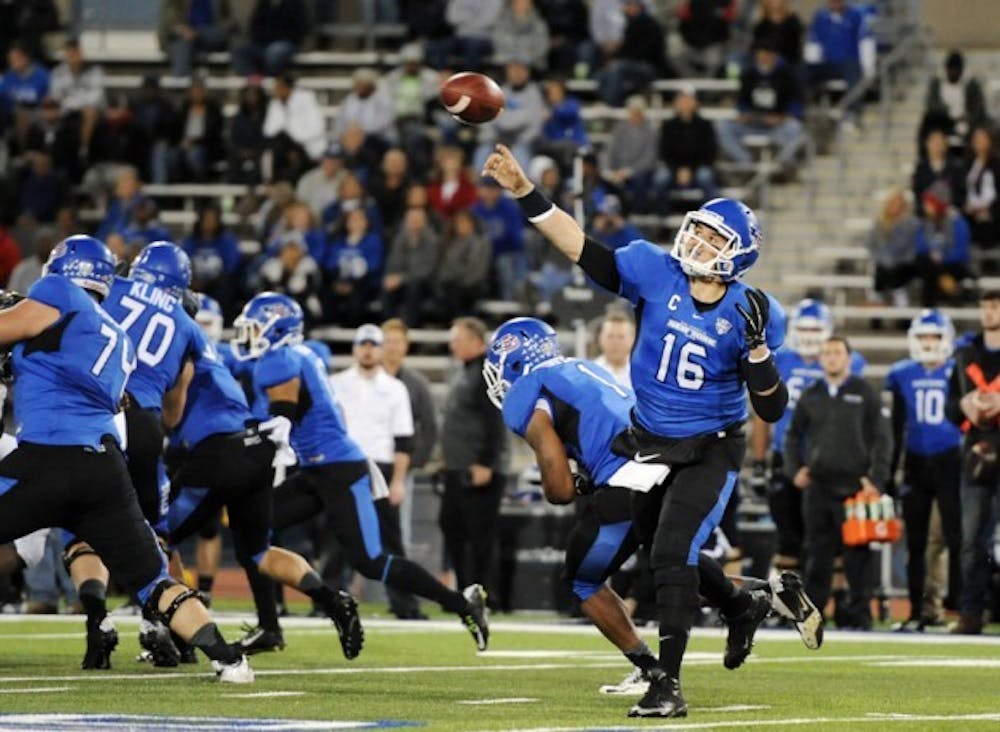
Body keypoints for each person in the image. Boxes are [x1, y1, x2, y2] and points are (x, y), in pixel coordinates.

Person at [481, 145, 789, 718]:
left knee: (671, 552)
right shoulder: (654, 270)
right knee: (637, 549)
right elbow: (581, 249)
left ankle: (666, 684)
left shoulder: (754, 311)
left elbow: (771, 409)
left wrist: (759, 352)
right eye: (698, 229)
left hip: (709, 446)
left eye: (715, 239)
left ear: (738, 256)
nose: (698, 243)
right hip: (646, 439)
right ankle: (740, 606)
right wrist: (525, 190)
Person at [485, 316, 821, 694]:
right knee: (670, 554)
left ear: (511, 357)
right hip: (666, 458)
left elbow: (559, 489)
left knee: (583, 579)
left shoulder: (526, 393)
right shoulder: (580, 367)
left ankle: (651, 669)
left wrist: (577, 484)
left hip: (627, 474)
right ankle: (759, 597)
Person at [0, 235, 251, 680]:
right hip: (105, 468)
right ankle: (229, 658)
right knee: (155, 580)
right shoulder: (118, 337)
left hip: (46, 460)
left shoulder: (58, 293)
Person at [231, 293, 490, 645]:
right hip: (314, 470)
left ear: (278, 329)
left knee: (371, 561)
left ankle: (463, 604)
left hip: (341, 469)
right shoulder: (301, 354)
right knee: (253, 533)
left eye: (258, 326)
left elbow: (280, 425)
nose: (250, 334)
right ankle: (277, 624)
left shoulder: (281, 362)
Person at [166, 296, 364, 660]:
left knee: (157, 536)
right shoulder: (226, 355)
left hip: (222, 451)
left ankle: (180, 636)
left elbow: (173, 409)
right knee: (257, 551)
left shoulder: (271, 358)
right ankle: (333, 601)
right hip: (253, 452)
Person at [750, 299, 865, 575]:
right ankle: (793, 608)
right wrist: (758, 461)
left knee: (831, 540)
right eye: (804, 329)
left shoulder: (847, 361)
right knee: (789, 539)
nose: (810, 337)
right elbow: (763, 415)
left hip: (830, 460)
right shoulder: (780, 358)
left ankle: (836, 608)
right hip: (787, 457)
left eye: (816, 330)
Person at [784, 336, 892, 631]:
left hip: (855, 488)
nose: (831, 358)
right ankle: (814, 617)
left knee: (859, 556)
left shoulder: (865, 393)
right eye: (827, 353)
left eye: (837, 353)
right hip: (819, 485)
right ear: (821, 359)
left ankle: (860, 614)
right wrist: (795, 469)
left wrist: (877, 480)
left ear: (848, 358)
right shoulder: (811, 395)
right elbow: (792, 436)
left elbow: (884, 439)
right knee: (817, 554)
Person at [330, 323, 423, 619]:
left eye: (373, 345)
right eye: (363, 344)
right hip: (344, 465)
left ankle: (404, 604)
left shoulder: (396, 388)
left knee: (390, 541)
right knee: (337, 539)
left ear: (380, 350)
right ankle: (328, 602)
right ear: (355, 348)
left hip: (381, 469)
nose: (368, 350)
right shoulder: (336, 383)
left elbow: (404, 440)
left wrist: (398, 480)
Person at [885, 310, 963, 632]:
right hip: (916, 462)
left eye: (934, 336)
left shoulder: (958, 371)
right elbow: (896, 426)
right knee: (915, 542)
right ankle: (917, 611)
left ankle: (958, 610)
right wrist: (891, 473)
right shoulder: (902, 373)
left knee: (956, 539)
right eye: (923, 337)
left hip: (952, 460)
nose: (929, 343)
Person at [439, 317, 508, 595]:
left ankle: (481, 593)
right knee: (452, 525)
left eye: (458, 339)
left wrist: (486, 461)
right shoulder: (463, 371)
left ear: (478, 342)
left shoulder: (485, 373)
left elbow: (495, 420)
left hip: (479, 469)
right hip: (460, 466)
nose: (452, 344)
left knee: (479, 534)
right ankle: (466, 590)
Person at [944, 289, 1000, 634]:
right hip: (976, 452)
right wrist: (966, 407)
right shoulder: (966, 353)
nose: (989, 312)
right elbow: (951, 406)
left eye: (994, 306)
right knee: (971, 541)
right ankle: (971, 613)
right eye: (985, 306)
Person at [159, 0, 236, 78]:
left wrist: (197, 34)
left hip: (211, 36)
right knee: (181, 48)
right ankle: (182, 85)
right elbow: (170, 19)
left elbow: (230, 20)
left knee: (237, 42)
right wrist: (183, 30)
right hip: (184, 38)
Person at [592, 310, 635, 390]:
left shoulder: (642, 375)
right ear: (600, 338)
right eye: (610, 336)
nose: (615, 342)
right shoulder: (591, 373)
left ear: (633, 340)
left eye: (621, 337)